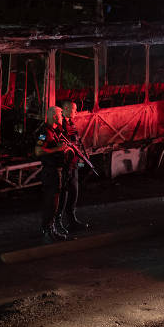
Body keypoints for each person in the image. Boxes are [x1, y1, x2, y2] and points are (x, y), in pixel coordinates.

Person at [35, 106, 70, 243]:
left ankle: (51, 229)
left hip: (56, 171)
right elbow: (38, 151)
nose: (62, 117)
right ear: (55, 117)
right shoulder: (44, 132)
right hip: (50, 172)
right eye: (60, 115)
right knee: (51, 202)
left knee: (54, 202)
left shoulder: (53, 131)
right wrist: (58, 149)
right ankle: (47, 231)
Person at [58, 100, 90, 233]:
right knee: (63, 195)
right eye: (74, 109)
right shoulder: (60, 124)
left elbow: (76, 141)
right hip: (65, 166)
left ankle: (72, 220)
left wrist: (83, 156)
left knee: (74, 193)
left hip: (74, 164)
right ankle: (58, 222)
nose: (76, 112)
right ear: (65, 109)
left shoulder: (71, 123)